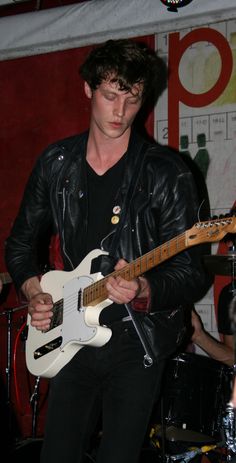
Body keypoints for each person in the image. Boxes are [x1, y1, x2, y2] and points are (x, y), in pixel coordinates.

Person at [5, 39, 211, 463]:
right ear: (88, 90)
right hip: (72, 332)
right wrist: (32, 290)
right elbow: (21, 243)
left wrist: (143, 287)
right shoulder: (56, 163)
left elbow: (193, 270)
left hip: (137, 340)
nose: (119, 111)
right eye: (110, 95)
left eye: (132, 99)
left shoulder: (166, 172)